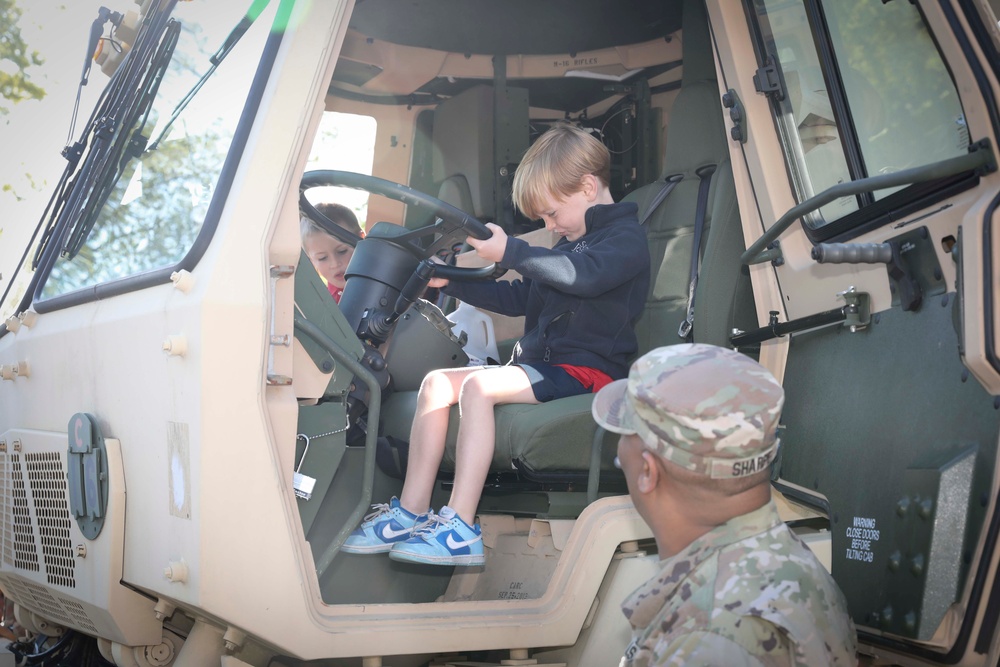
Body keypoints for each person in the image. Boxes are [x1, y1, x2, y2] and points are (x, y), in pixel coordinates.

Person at [341, 122, 651, 566]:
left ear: (587, 186)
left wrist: (513, 252)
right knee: (436, 384)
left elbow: (584, 278)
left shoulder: (623, 241)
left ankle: (461, 527)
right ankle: (411, 511)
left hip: (589, 371)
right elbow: (522, 296)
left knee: (478, 388)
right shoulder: (574, 244)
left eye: (551, 214)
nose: (550, 227)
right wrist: (457, 281)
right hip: (544, 366)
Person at [591, 343, 858, 666]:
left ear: (647, 472)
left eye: (625, 434)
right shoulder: (793, 563)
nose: (619, 454)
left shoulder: (705, 640)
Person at [300, 202, 365, 303]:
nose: (335, 264)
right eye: (322, 258)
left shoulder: (385, 287)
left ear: (362, 240)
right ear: (311, 261)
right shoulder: (321, 304)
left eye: (342, 251)